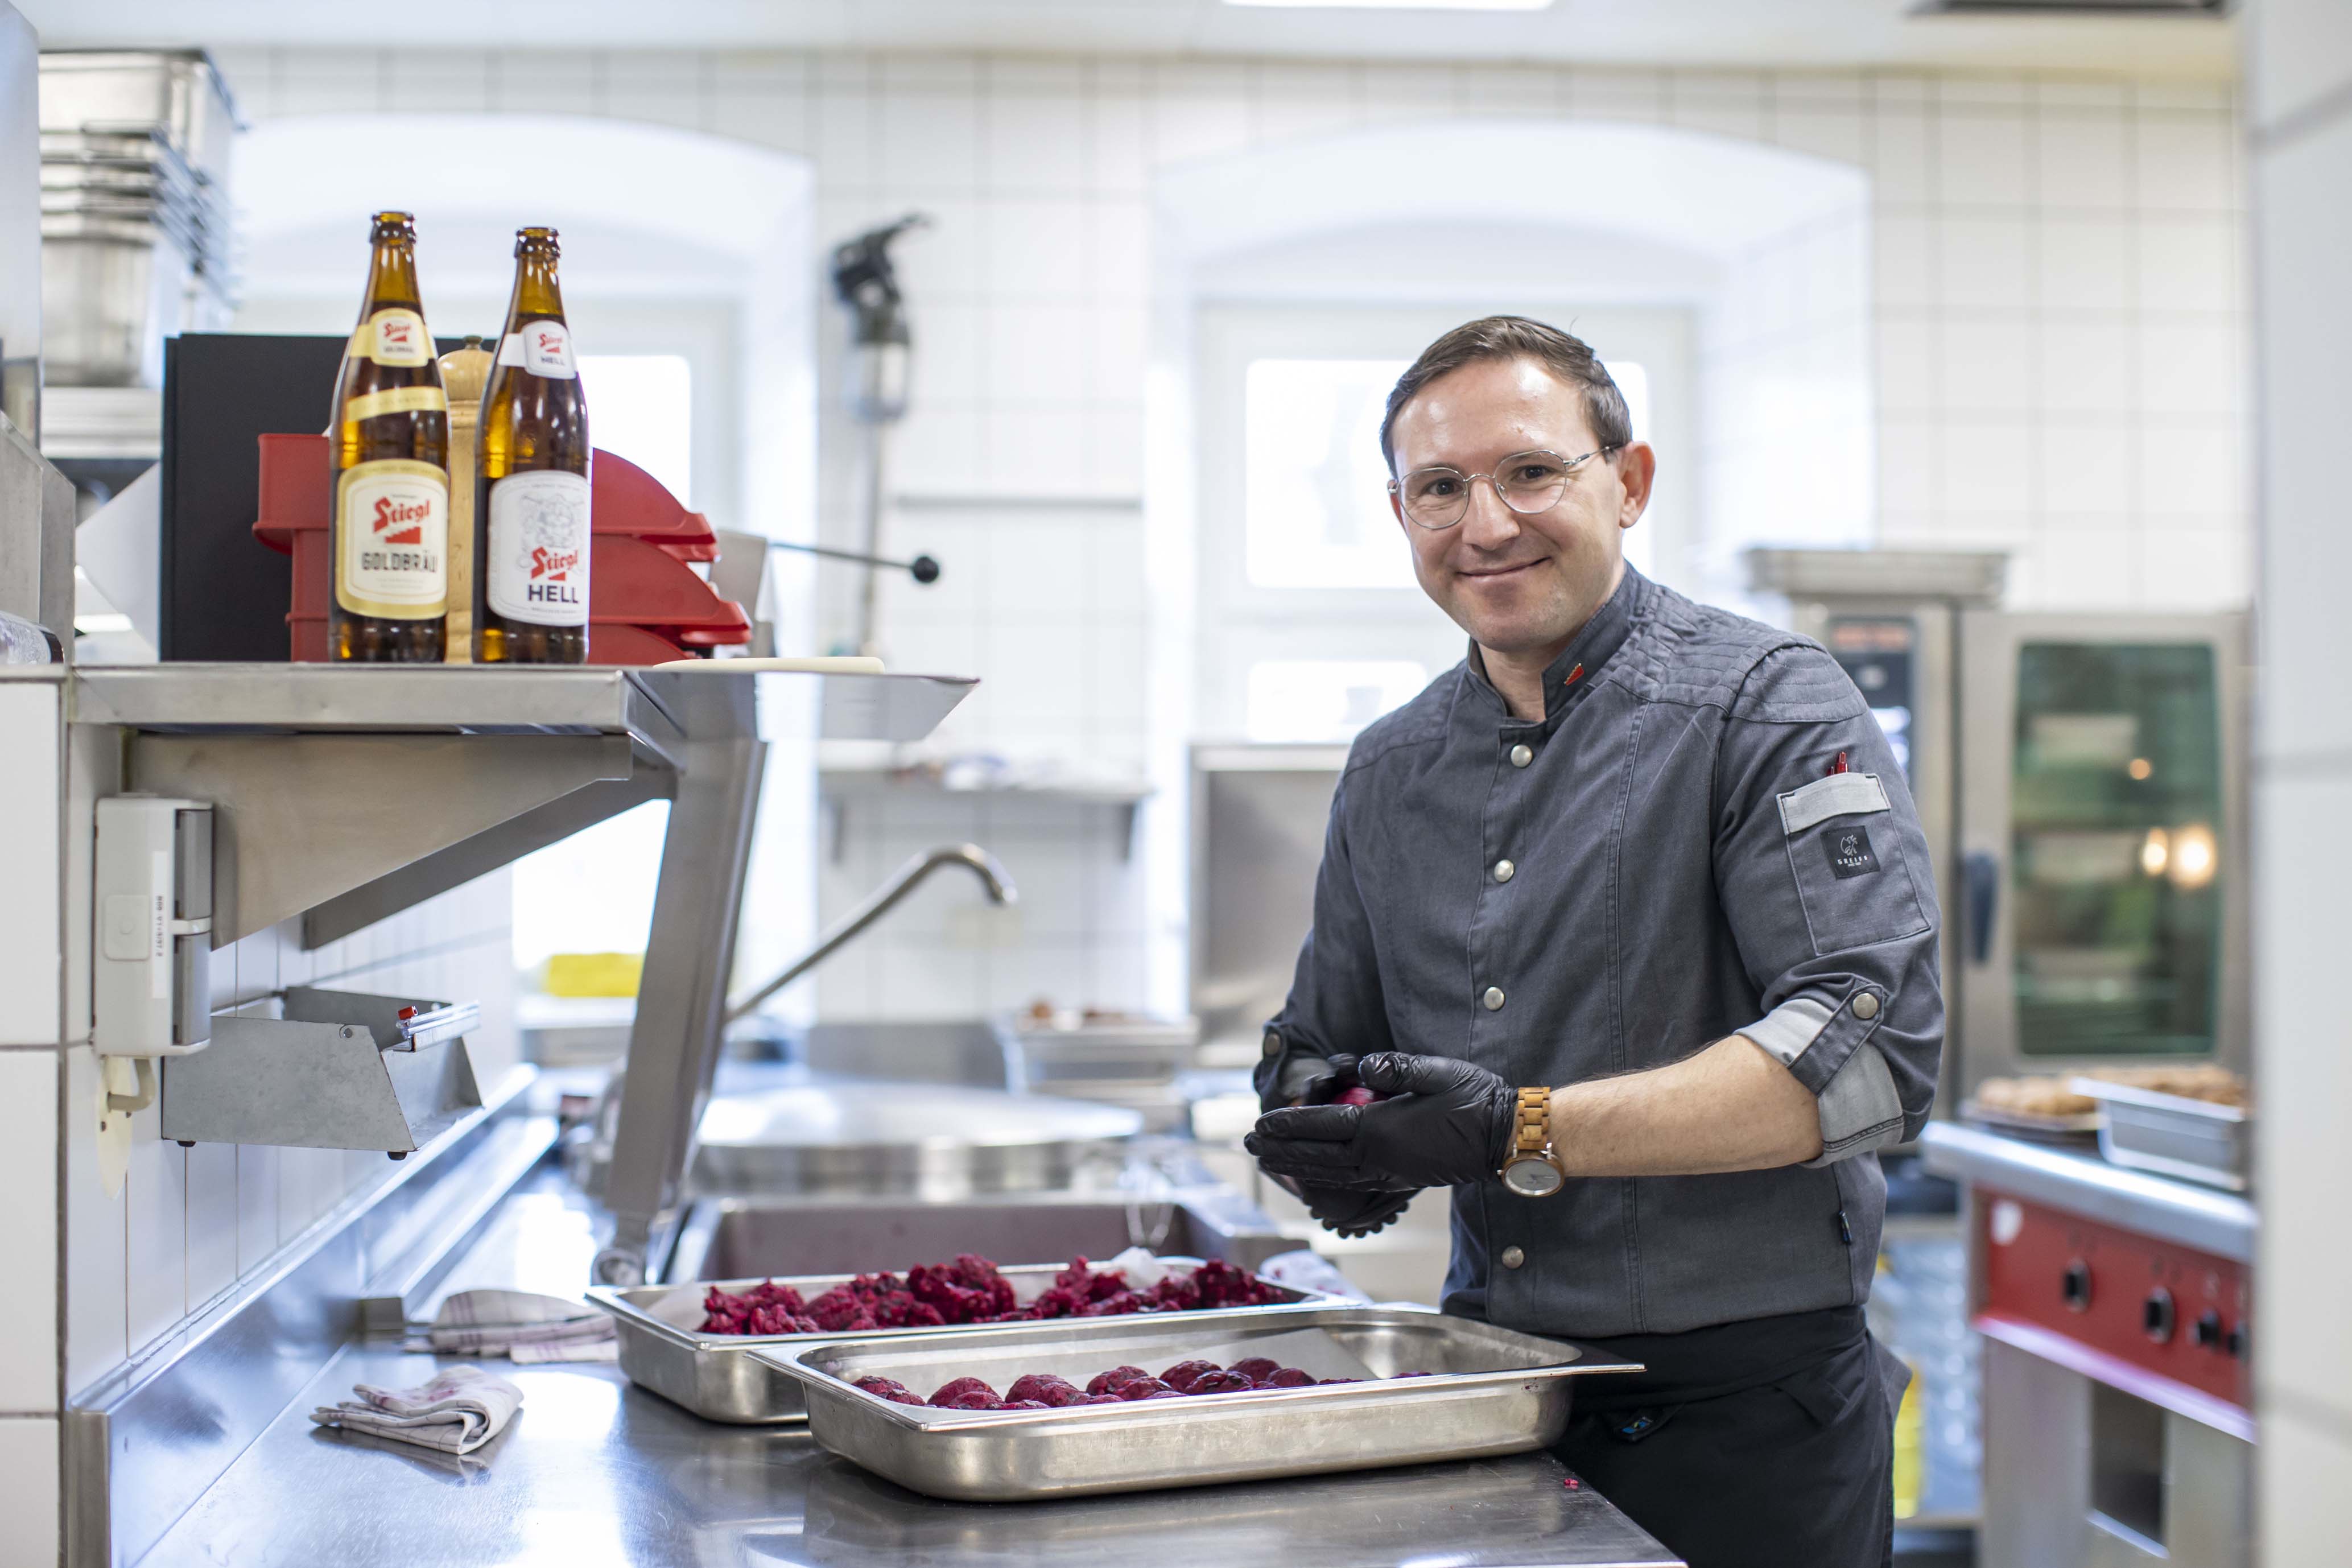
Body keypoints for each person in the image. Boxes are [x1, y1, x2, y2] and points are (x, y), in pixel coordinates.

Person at [1245, 316, 1941, 1568]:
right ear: (1400, 514)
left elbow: (1867, 1059)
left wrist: (1517, 1127)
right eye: (1439, 489)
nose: (1485, 525)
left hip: (1752, 1424)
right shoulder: (1390, 767)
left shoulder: (1767, 706)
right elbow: (1325, 1039)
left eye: (1530, 472)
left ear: (1628, 482)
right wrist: (1324, 1126)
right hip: (1497, 1404)